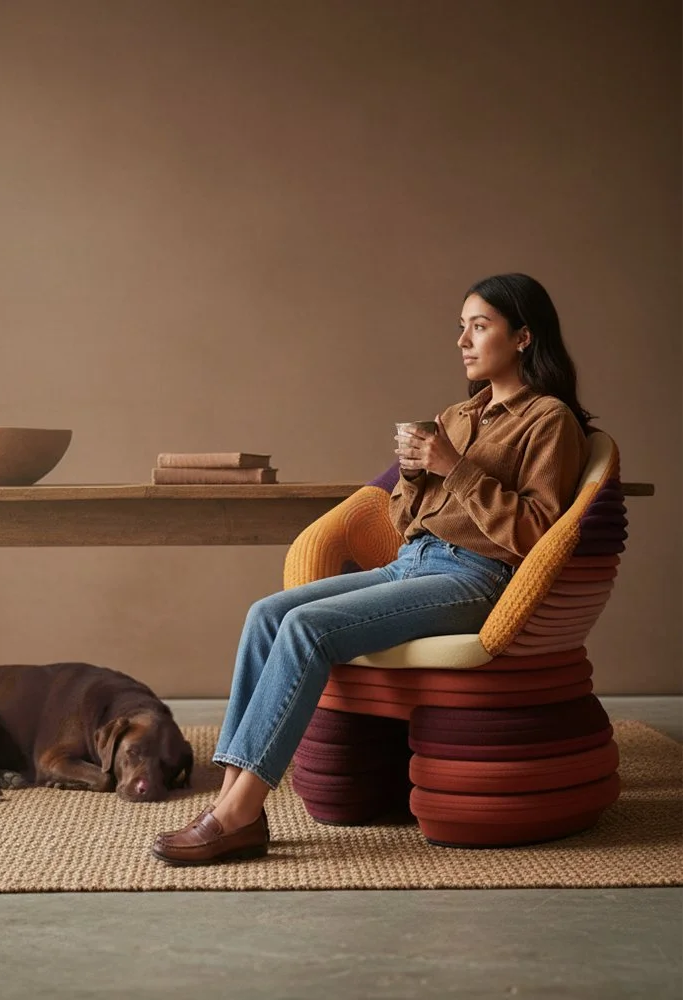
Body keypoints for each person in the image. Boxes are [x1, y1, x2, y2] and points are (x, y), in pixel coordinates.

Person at [151, 272, 594, 866]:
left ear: (523, 337)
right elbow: (409, 520)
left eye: (480, 326)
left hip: (477, 578)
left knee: (308, 628)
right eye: (461, 326)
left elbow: (539, 535)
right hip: (415, 563)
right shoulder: (456, 415)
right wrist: (413, 478)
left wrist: (454, 467)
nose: (463, 340)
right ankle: (238, 804)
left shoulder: (549, 422)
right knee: (267, 615)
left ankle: (234, 815)